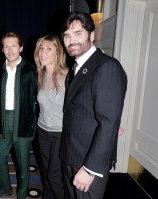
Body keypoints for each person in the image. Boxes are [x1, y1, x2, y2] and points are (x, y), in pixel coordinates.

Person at [59, 12, 127, 199]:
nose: (71, 40)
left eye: (77, 33)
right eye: (67, 36)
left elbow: (109, 122)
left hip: (88, 161)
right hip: (70, 154)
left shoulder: (107, 67)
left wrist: (90, 169)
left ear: (92, 35)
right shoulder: (75, 68)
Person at [0, 32, 37, 199]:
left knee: (23, 164)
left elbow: (38, 99)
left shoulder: (31, 70)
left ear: (21, 47)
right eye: (6, 46)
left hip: (22, 122)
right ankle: (5, 188)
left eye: (14, 45)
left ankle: (22, 194)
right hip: (2, 122)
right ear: (2, 49)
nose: (10, 50)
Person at [34, 34, 68, 199]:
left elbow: (85, 102)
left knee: (54, 176)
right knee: (46, 173)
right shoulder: (41, 75)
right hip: (43, 131)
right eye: (41, 48)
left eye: (48, 48)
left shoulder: (68, 75)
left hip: (60, 133)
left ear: (58, 53)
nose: (43, 52)